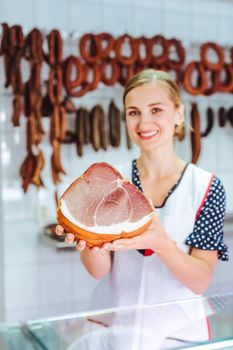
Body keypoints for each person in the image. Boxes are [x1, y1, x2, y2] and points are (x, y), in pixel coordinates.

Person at [56, 69, 228, 349]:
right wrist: (88, 241)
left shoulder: (206, 187)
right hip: (116, 331)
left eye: (156, 109)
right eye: (133, 112)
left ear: (179, 114)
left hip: (179, 334)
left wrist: (161, 243)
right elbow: (99, 271)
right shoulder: (112, 180)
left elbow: (200, 282)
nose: (144, 122)